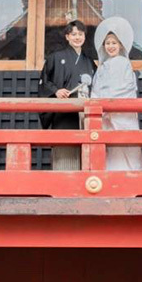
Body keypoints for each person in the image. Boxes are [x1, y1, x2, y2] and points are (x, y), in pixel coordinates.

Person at [38, 20, 95, 170]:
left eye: (80, 34)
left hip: (84, 112)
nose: (77, 37)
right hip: (63, 113)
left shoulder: (89, 61)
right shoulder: (55, 58)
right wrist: (56, 91)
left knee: (87, 149)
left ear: (84, 36)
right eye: (74, 34)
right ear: (67, 37)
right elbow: (44, 81)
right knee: (65, 150)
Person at [92, 16, 142, 171]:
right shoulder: (102, 67)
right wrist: (97, 103)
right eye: (107, 43)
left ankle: (132, 174)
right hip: (105, 113)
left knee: (126, 144)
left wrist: (109, 102)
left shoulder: (124, 63)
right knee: (109, 147)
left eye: (114, 43)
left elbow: (127, 87)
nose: (110, 46)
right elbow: (95, 89)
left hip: (121, 114)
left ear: (121, 45)